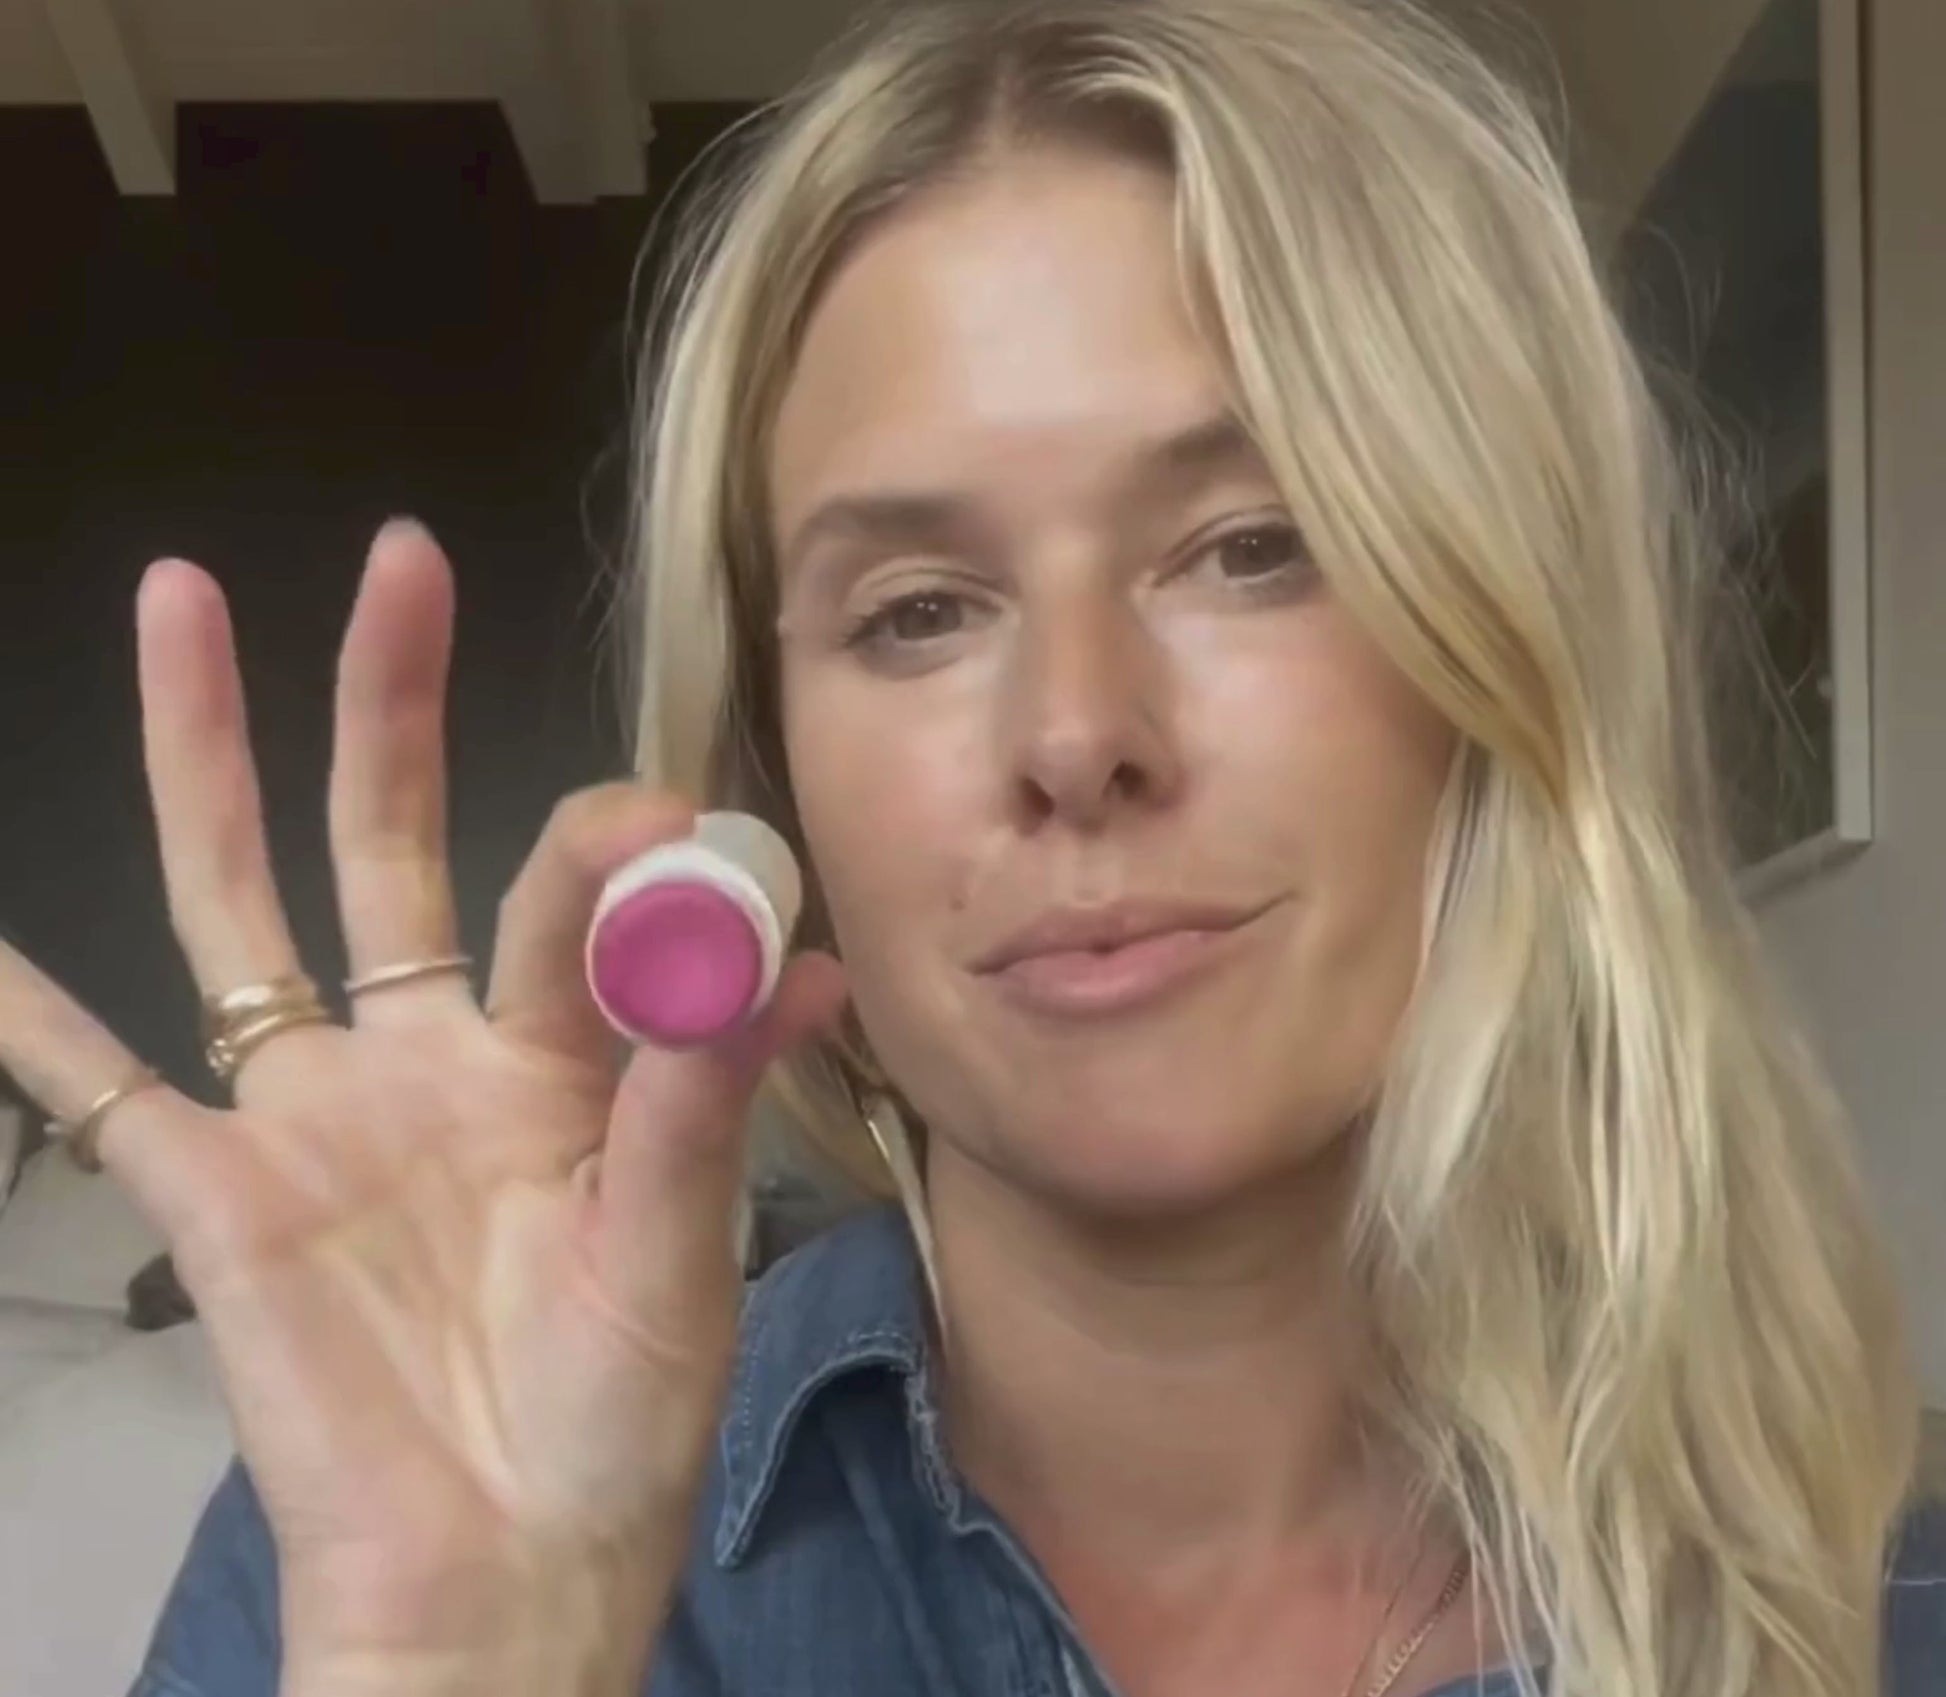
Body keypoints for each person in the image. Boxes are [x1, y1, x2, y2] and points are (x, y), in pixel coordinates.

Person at [0, 1, 1937, 1693]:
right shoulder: (396, 1544)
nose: (1075, 734)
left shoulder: (1882, 1607)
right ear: (777, 799)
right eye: (917, 610)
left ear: (1500, 650)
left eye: (1251, 547)